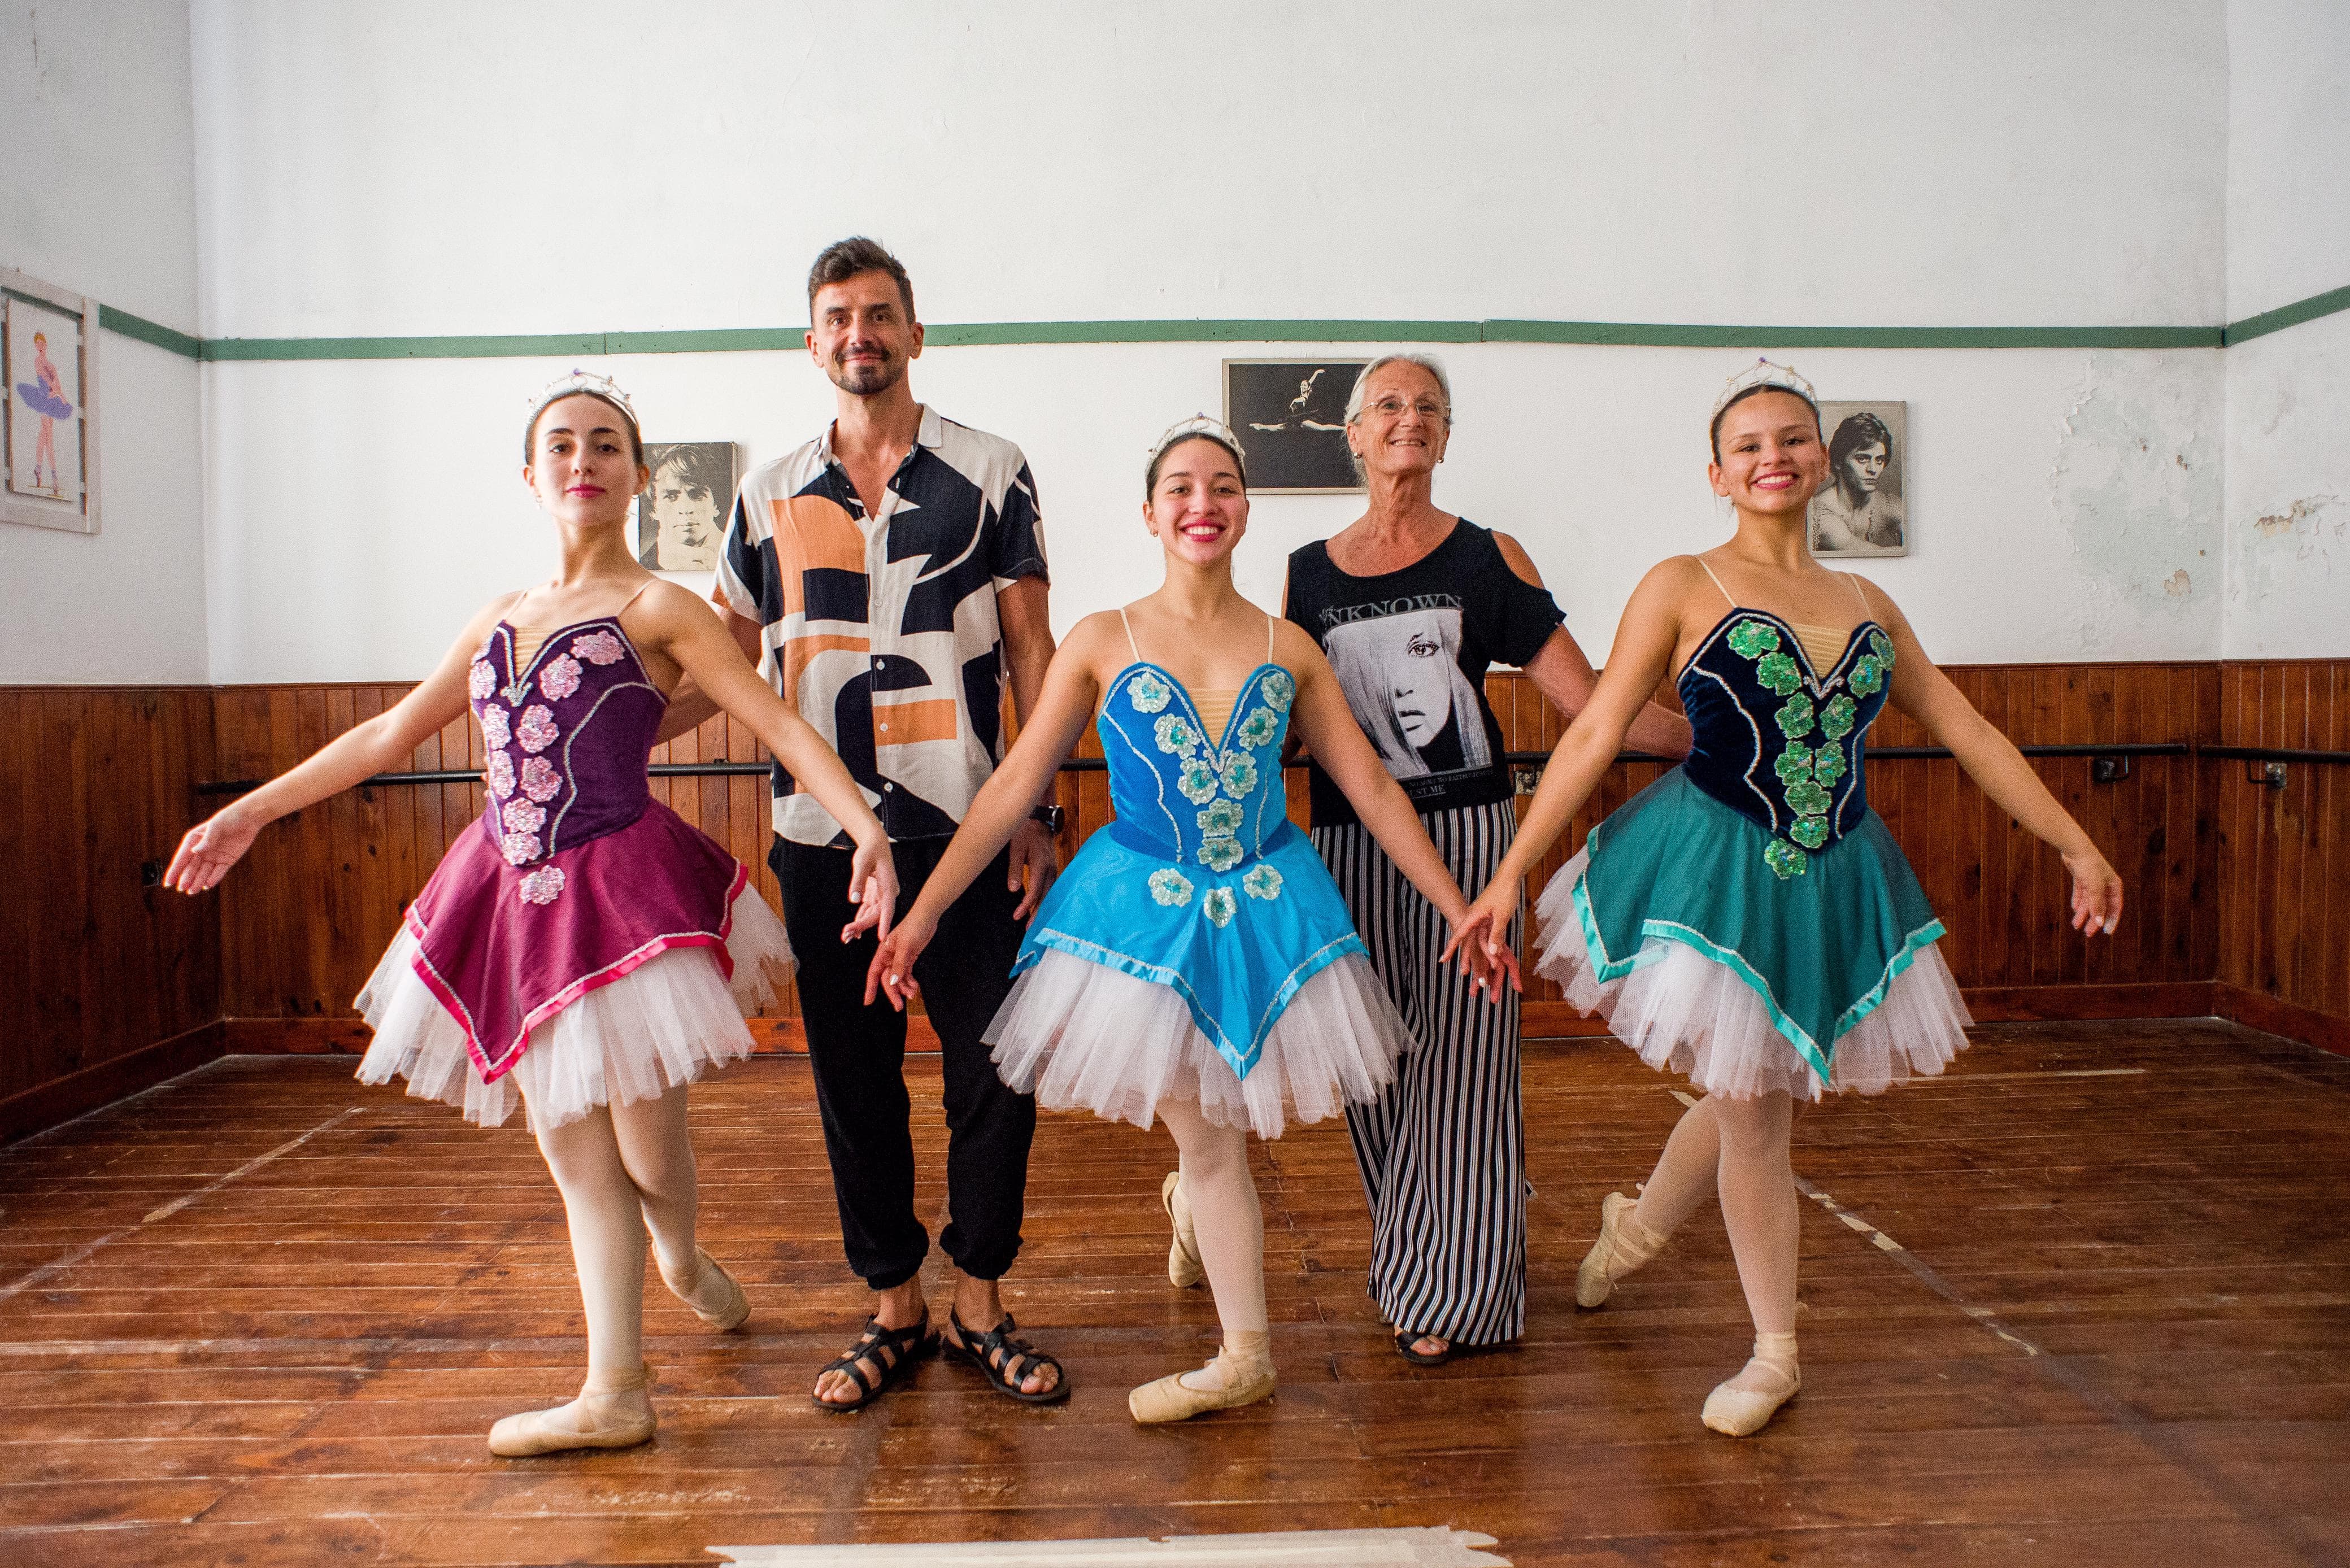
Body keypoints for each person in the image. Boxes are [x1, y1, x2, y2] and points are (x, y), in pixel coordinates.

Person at [163, 372, 899, 1456]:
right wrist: (253, 810)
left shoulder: (663, 609)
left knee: (650, 1153)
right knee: (573, 1152)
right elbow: (386, 736)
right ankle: (616, 1391)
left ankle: (681, 1254)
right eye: (561, 444)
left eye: (605, 444)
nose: (582, 461)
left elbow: (778, 723)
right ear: (530, 475)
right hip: (510, 898)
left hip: (620, 894)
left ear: (638, 475)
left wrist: (865, 827)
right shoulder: (496, 618)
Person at [1451, 360, 2123, 1435]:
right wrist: (1504, 875)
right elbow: (1593, 730)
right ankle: (1776, 1353)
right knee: (1757, 1113)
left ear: (1821, 462)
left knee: (1748, 1088)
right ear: (1718, 474)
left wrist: (2075, 843)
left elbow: (1968, 728)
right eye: (1750, 445)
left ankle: (1633, 1230)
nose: (1775, 457)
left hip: (1835, 872)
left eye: (1794, 439)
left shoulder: (1867, 602)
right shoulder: (1682, 584)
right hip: (1714, 867)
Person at [864, 419, 1514, 1423]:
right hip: (1142, 919)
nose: (1202, 503)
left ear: (1245, 509)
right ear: (1150, 514)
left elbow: (1374, 791)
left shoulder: (1289, 647)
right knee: (1212, 1138)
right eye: (1180, 487)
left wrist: (1459, 905)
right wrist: (920, 916)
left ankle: (1198, 1222)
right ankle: (1246, 1353)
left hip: (1264, 907)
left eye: (1222, 486)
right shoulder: (1102, 639)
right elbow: (1010, 789)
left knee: (1212, 1135)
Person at [658, 237, 1065, 1410]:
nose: (859, 334)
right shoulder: (766, 494)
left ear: (914, 332)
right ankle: (893, 1304)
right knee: (853, 1080)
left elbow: (1033, 650)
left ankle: (979, 1299)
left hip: (972, 826)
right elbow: (729, 659)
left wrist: (1041, 808)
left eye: (879, 314)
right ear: (813, 342)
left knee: (996, 1070)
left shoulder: (993, 471)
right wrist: (620, 733)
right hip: (820, 838)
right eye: (838, 317)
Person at [1281, 353, 1694, 1365]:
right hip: (1348, 843)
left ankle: (1458, 1295)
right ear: (1354, 435)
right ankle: (1421, 1263)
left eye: (1429, 406)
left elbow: (1589, 704)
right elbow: (1287, 722)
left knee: (1463, 1065)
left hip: (1470, 842)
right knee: (1373, 1064)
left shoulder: (1485, 555)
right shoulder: (1305, 573)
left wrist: (1711, 740)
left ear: (1447, 436)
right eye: (1388, 404)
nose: (1409, 418)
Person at [1810, 410, 1903, 554]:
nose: (1873, 469)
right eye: (1862, 459)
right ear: (1839, 461)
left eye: (1879, 460)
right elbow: (1855, 549)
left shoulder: (1886, 504)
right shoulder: (1819, 515)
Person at [638, 443, 731, 570]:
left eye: (697, 494)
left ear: (715, 505)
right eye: (670, 496)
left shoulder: (739, 557)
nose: (685, 509)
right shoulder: (642, 568)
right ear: (654, 509)